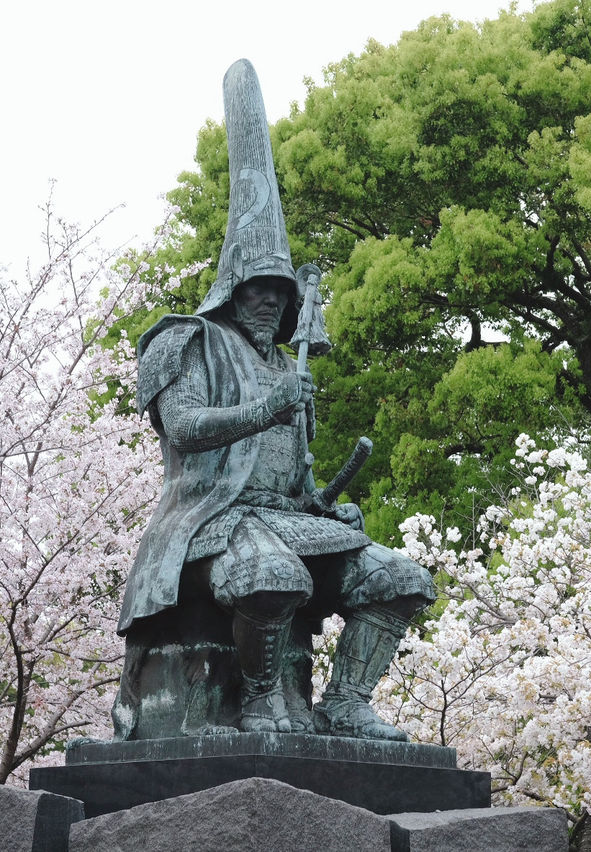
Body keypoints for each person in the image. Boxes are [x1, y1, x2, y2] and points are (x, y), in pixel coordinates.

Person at [112, 59, 435, 742]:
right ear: (234, 285)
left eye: (281, 292)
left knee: (399, 578)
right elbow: (187, 428)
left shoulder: (290, 365)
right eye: (259, 286)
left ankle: (345, 701)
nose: (270, 300)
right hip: (207, 522)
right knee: (271, 574)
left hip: (283, 517)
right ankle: (261, 699)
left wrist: (323, 501)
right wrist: (265, 409)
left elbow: (295, 472)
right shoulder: (185, 341)